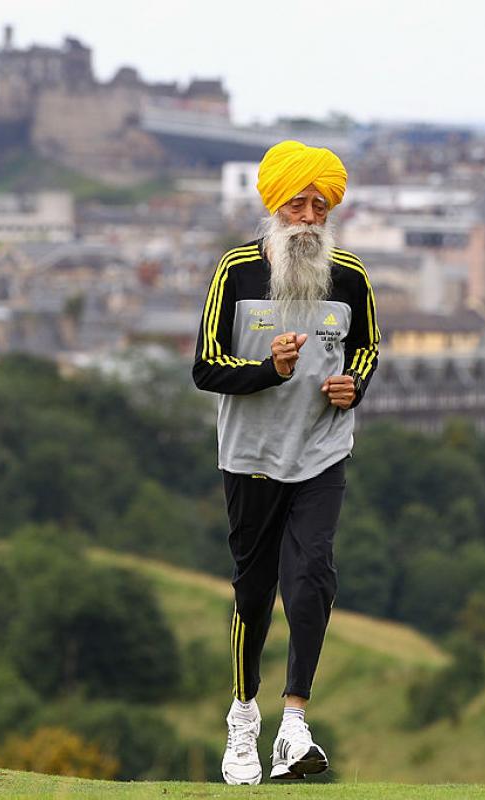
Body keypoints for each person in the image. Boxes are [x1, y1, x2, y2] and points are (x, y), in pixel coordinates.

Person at [192, 140, 379, 784]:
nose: (308, 218)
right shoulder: (236, 272)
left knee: (312, 576)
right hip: (250, 456)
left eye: (319, 207)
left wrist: (353, 386)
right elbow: (205, 367)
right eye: (297, 204)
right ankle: (243, 716)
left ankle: (294, 722)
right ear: (275, 206)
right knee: (254, 589)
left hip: (322, 451)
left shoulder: (350, 277)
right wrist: (267, 370)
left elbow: (367, 349)